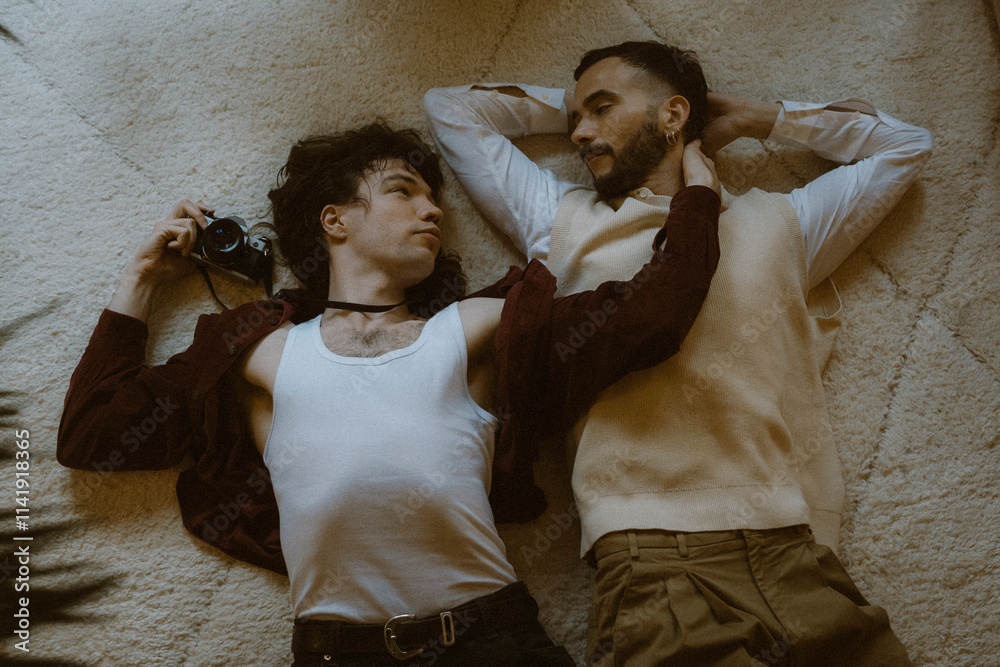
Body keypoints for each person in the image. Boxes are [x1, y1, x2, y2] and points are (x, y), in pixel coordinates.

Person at [57, 122, 722, 666]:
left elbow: (653, 313)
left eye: (433, 198)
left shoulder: (476, 328)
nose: (433, 209)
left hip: (491, 643)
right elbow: (92, 432)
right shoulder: (260, 354)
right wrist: (142, 278)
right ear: (334, 221)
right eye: (403, 191)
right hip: (335, 654)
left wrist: (699, 195)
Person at [424, 40, 933, 666]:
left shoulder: (781, 222)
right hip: (652, 557)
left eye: (601, 108)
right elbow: (451, 109)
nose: (579, 133)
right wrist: (580, 106)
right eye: (575, 118)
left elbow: (906, 146)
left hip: (793, 553)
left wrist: (754, 117)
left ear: (673, 114)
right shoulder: (559, 219)